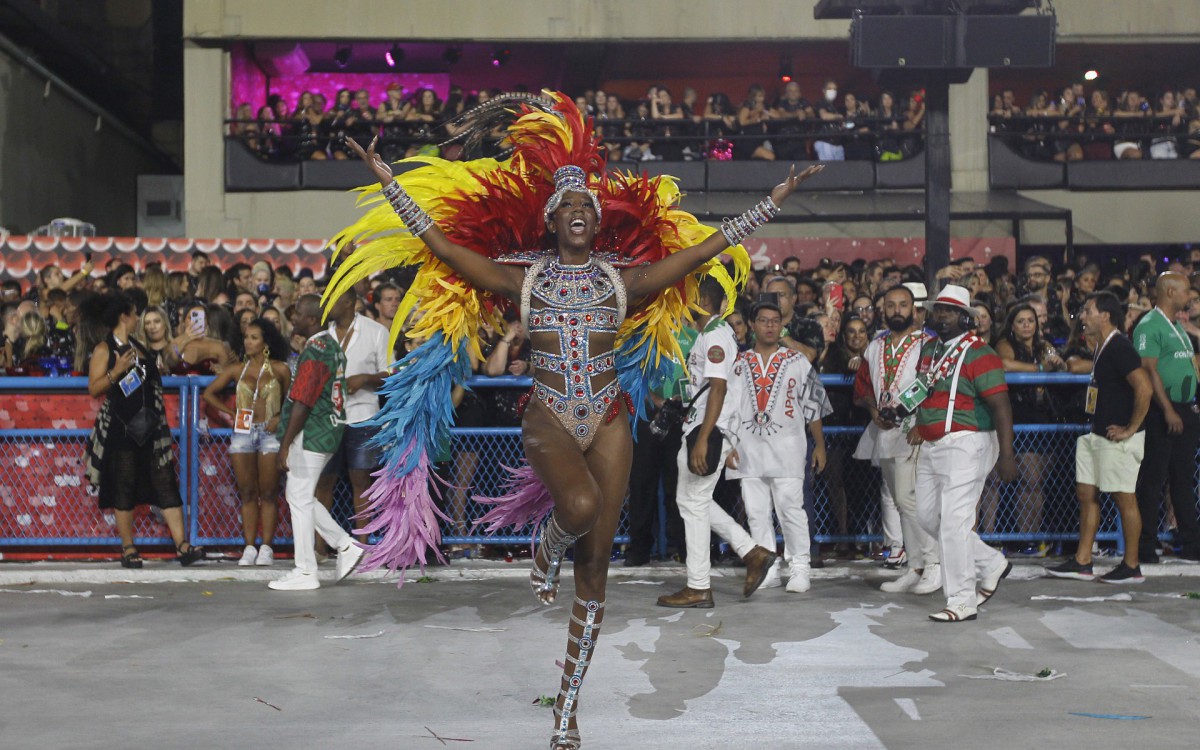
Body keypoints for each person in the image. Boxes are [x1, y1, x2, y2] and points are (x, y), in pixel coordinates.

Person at [338, 92, 822, 750]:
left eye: (583, 208)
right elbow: (446, 250)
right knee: (581, 503)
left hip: (610, 416)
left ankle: (566, 707)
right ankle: (543, 550)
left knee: (597, 571)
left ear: (595, 222)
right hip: (548, 416)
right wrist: (391, 183)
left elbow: (703, 251)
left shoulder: (625, 282)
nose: (574, 214)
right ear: (551, 220)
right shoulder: (526, 279)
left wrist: (773, 201)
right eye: (564, 208)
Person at [657, 279, 779, 609]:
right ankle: (752, 552)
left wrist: (706, 437)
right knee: (691, 500)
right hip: (704, 426)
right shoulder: (713, 334)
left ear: (700, 300)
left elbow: (719, 388)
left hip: (706, 429)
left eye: (689, 297)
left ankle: (699, 585)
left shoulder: (714, 335)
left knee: (693, 502)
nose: (684, 302)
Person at [907, 285, 1017, 622]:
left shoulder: (980, 354)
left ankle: (962, 599)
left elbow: (1001, 406)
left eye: (949, 311)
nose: (940, 315)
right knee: (927, 517)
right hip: (932, 442)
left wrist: (1007, 455)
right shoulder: (929, 348)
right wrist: (914, 419)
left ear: (964, 318)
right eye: (937, 309)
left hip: (968, 442)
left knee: (954, 522)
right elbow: (926, 391)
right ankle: (990, 561)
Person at [82, 292, 204, 568]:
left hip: (150, 426)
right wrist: (118, 370)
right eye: (136, 313)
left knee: (165, 483)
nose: (138, 318)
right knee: (123, 486)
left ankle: (182, 546)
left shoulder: (140, 346)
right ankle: (128, 548)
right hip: (121, 428)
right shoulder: (105, 349)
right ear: (125, 316)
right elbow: (93, 388)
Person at [1047, 291, 1152, 583]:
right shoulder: (1103, 346)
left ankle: (1131, 566)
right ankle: (1083, 560)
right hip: (1097, 433)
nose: (1082, 316)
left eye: (1088, 311)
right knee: (1087, 494)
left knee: (1123, 498)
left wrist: (1130, 428)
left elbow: (1145, 388)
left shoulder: (1119, 346)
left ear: (1105, 315)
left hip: (1118, 437)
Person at [726, 301, 826, 594]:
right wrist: (728, 444)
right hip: (748, 449)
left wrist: (819, 444)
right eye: (763, 320)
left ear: (781, 326)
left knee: (791, 510)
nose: (769, 326)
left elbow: (814, 407)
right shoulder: (738, 362)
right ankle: (766, 568)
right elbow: (728, 407)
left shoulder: (797, 361)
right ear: (752, 325)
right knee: (756, 512)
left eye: (775, 321)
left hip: (789, 449)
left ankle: (799, 567)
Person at [268, 294, 367, 591]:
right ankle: (344, 545)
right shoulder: (331, 345)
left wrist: (285, 444)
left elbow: (303, 401)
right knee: (301, 495)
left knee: (298, 496)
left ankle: (305, 570)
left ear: (311, 320)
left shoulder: (317, 349)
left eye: (297, 314)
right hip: (329, 428)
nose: (293, 318)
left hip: (313, 431)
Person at [853, 285, 941, 595]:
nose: (897, 310)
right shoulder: (875, 346)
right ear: (883, 310)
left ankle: (933, 566)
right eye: (891, 305)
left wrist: (925, 423)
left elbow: (934, 387)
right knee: (902, 503)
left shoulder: (929, 344)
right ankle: (914, 567)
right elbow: (863, 385)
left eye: (903, 305)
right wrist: (873, 408)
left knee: (910, 500)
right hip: (886, 431)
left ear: (915, 309)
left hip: (915, 430)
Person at [202, 319, 291, 566]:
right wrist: (230, 414)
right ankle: (249, 546)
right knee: (248, 492)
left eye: (254, 337)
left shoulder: (281, 369)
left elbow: (294, 402)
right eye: (247, 337)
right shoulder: (236, 369)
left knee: (270, 492)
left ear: (265, 342)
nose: (248, 341)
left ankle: (267, 547)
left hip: (270, 434)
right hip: (243, 433)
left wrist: (280, 417)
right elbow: (208, 394)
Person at [1132, 273, 1200, 563]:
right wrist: (1168, 409)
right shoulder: (1149, 325)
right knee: (1153, 480)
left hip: (1184, 410)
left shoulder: (1176, 327)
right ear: (1170, 291)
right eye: (1187, 292)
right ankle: (1145, 545)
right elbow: (1148, 370)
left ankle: (1193, 543)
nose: (1191, 297)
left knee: (1183, 480)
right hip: (1162, 412)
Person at [315, 290, 391, 545]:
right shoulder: (320, 337)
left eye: (333, 300)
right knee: (323, 482)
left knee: (362, 482)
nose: (327, 306)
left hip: (363, 415)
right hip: (328, 418)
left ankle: (362, 547)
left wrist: (365, 379)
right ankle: (319, 549)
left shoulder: (376, 331)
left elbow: (390, 373)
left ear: (350, 302)